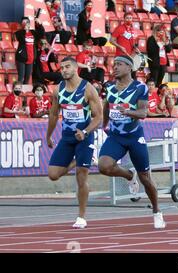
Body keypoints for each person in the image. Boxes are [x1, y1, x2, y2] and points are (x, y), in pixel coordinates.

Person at [98, 55, 166, 229]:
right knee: (103, 166)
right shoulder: (110, 88)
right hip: (116, 136)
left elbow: (143, 113)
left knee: (146, 178)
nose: (115, 68)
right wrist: (103, 126)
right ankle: (129, 175)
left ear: (129, 67)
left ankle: (157, 211)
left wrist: (128, 112)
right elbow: (107, 107)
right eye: (114, 65)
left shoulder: (140, 88)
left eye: (119, 65)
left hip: (134, 136)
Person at [46, 57, 103, 229]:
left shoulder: (88, 89)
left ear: (76, 68)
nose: (63, 70)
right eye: (61, 67)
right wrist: (48, 136)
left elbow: (99, 117)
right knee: (53, 174)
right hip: (67, 137)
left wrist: (85, 132)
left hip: (84, 137)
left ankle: (81, 216)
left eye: (67, 66)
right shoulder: (58, 90)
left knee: (81, 175)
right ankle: (80, 160)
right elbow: (54, 114)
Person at [15, 17, 45, 84]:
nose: (25, 24)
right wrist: (25, 31)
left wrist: (40, 25)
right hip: (21, 58)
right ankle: (18, 91)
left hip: (31, 58)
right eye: (23, 22)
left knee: (27, 78)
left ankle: (25, 93)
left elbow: (42, 34)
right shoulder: (19, 33)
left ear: (29, 23)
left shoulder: (33, 33)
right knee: (21, 77)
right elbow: (19, 38)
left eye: (27, 22)